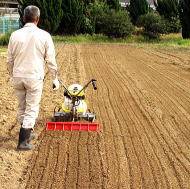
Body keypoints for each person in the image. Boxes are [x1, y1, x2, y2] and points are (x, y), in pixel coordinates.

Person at [7, 5, 60, 151]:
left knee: (21, 107)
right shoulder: (44, 36)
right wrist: (55, 78)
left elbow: (9, 60)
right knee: (31, 108)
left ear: (23, 18)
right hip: (34, 77)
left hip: (18, 76)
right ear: (37, 19)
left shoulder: (14, 35)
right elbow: (50, 60)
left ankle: (26, 134)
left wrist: (13, 74)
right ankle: (23, 142)